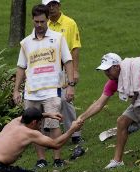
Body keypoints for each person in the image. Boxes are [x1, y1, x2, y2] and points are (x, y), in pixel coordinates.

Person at [77, 52, 140, 169]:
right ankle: (117, 161)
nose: (106, 73)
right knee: (121, 121)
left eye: (108, 70)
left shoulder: (136, 66)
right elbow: (99, 103)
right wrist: (81, 118)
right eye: (104, 70)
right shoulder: (112, 83)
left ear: (117, 67)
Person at [13, 4, 75, 168]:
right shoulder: (25, 43)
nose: (39, 25)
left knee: (53, 124)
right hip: (31, 92)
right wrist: (16, 90)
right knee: (34, 128)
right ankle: (41, 160)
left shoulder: (58, 38)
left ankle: (57, 159)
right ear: (32, 20)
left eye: (42, 21)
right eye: (36, 22)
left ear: (48, 19)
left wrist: (70, 85)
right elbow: (21, 67)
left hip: (52, 90)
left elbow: (68, 61)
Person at [0, 107, 82, 172]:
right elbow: (56, 144)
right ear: (34, 122)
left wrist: (48, 114)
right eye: (39, 123)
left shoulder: (14, 122)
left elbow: (28, 116)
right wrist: (72, 129)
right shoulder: (29, 133)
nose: (40, 126)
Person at [42, 0, 83, 144]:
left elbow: (75, 48)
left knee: (66, 99)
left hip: (65, 67)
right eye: (48, 5)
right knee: (48, 99)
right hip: (48, 69)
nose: (51, 8)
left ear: (59, 6)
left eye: (54, 4)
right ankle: (49, 133)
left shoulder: (69, 23)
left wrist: (75, 71)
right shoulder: (43, 24)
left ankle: (75, 132)